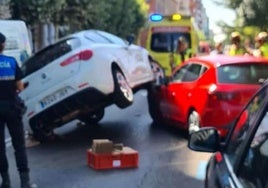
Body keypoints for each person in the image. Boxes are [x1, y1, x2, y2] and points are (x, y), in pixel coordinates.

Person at [0, 33, 36, 188]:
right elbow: (20, 86)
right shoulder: (11, 62)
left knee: (0, 147)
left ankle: (5, 182)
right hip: (12, 107)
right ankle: (25, 182)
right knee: (19, 145)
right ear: (3, 45)